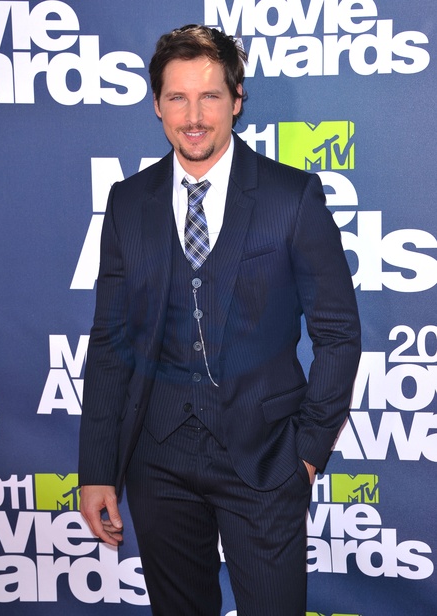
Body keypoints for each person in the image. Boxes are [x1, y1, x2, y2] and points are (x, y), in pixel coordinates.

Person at [79, 24, 361, 616]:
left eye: (209, 96)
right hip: (158, 460)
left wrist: (307, 453)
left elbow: (338, 333)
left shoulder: (292, 197)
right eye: (177, 97)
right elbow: (109, 342)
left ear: (236, 100)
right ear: (157, 105)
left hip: (266, 458)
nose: (193, 117)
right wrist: (98, 469)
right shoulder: (129, 201)